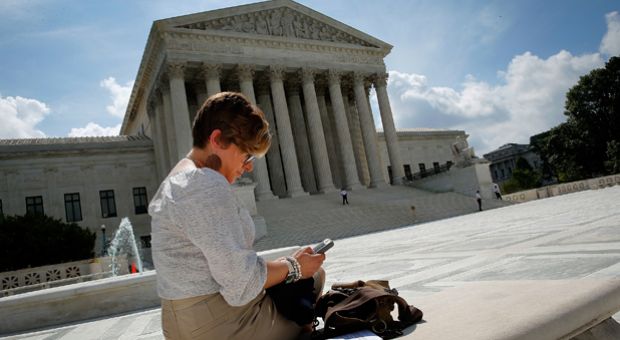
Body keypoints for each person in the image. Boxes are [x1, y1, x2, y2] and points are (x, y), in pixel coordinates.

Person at [149, 92, 326, 340]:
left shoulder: (178, 179)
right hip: (221, 325)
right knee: (313, 277)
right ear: (217, 139)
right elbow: (240, 284)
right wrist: (294, 267)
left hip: (183, 322)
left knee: (299, 275)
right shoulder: (204, 183)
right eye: (246, 155)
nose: (249, 166)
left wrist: (288, 265)